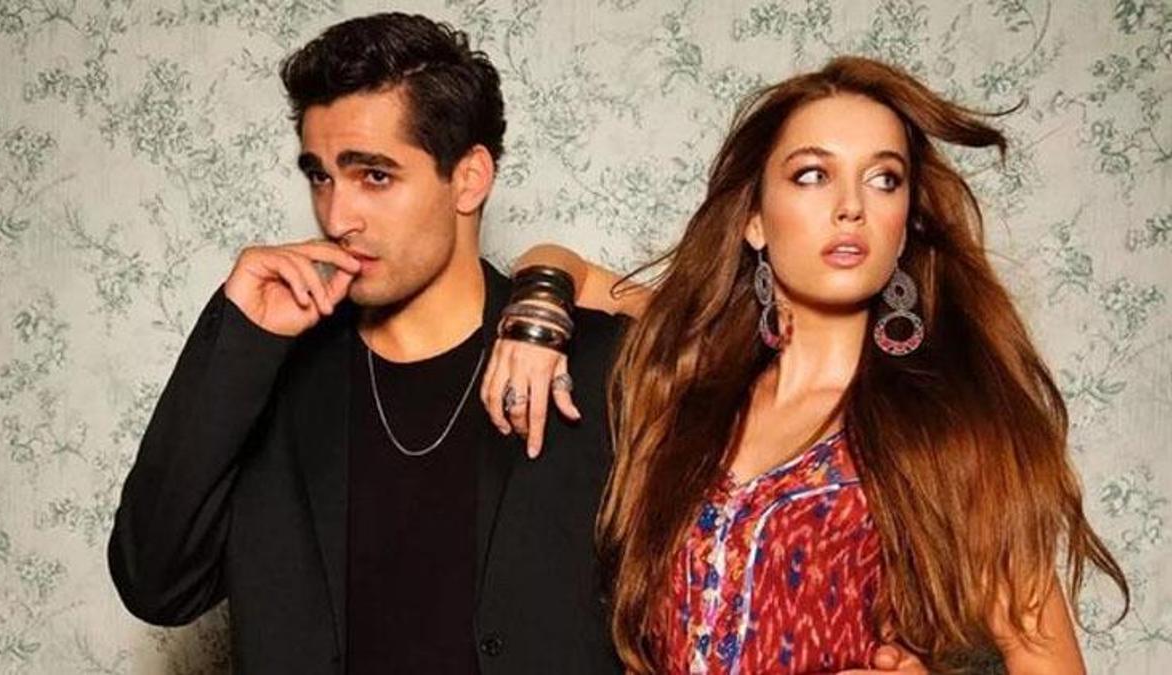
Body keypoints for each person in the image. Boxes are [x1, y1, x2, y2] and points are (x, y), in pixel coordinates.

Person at [484, 56, 1129, 673]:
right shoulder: (693, 374)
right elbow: (568, 265)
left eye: (883, 180)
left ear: (905, 225)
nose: (851, 206)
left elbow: (1049, 662)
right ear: (755, 221)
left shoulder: (950, 433)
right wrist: (536, 315)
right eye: (813, 175)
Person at [106, 13, 626, 674]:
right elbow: (155, 583)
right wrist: (237, 336)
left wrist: (551, 278)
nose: (337, 216)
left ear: (469, 178)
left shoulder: (596, 364)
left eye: (374, 176)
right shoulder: (270, 373)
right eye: (321, 176)